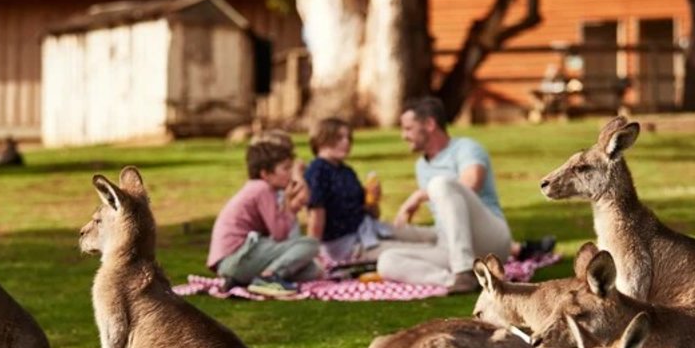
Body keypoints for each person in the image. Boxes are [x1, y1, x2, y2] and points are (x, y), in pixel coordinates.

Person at [378, 97, 553, 294]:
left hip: (490, 240)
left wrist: (419, 195)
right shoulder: (421, 166)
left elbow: (471, 184)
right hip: (450, 246)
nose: (404, 135)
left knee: (440, 184)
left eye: (408, 128)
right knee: (387, 261)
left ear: (429, 124)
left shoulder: (466, 148)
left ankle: (463, 270)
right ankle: (458, 279)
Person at [304, 118, 434, 264]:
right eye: (339, 138)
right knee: (423, 252)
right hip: (350, 246)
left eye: (349, 138)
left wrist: (373, 199)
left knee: (430, 236)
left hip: (371, 230)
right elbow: (316, 217)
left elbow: (374, 214)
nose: (346, 142)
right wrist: (312, 255)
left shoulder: (346, 171)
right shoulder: (317, 172)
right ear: (322, 140)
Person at [206, 140, 321, 297]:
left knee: (312, 270)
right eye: (285, 168)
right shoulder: (262, 189)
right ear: (265, 174)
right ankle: (268, 277)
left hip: (234, 262)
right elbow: (280, 235)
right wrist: (288, 205)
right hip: (237, 257)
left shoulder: (257, 188)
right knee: (311, 244)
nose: (290, 174)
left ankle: (242, 280)